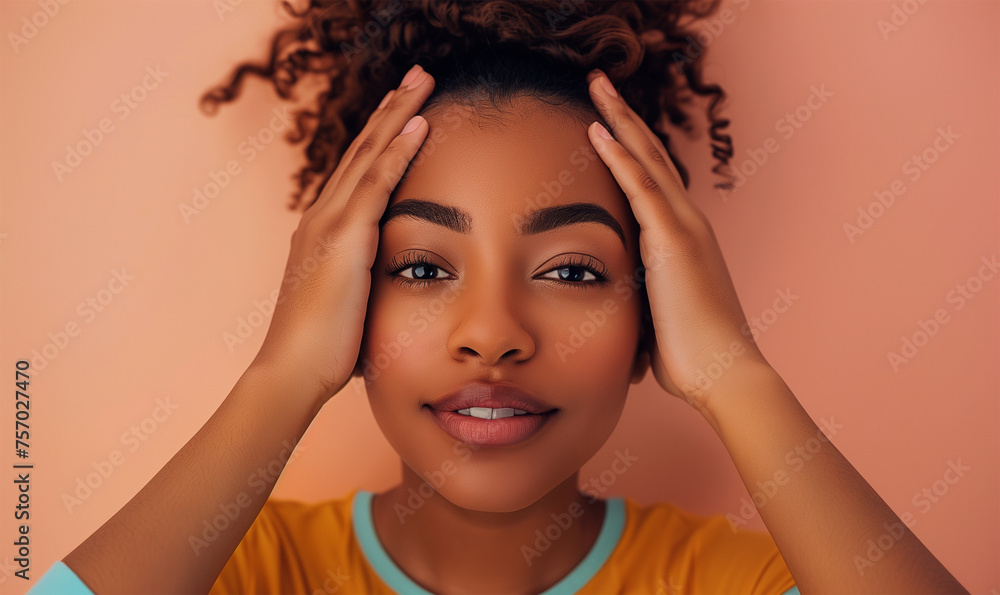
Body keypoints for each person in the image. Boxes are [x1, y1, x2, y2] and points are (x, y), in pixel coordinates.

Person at [28, 1, 969, 593]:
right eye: (423, 268)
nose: (491, 335)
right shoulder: (236, 570)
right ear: (345, 299)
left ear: (656, 314)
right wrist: (280, 378)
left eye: (571, 271)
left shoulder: (730, 580)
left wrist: (738, 376)